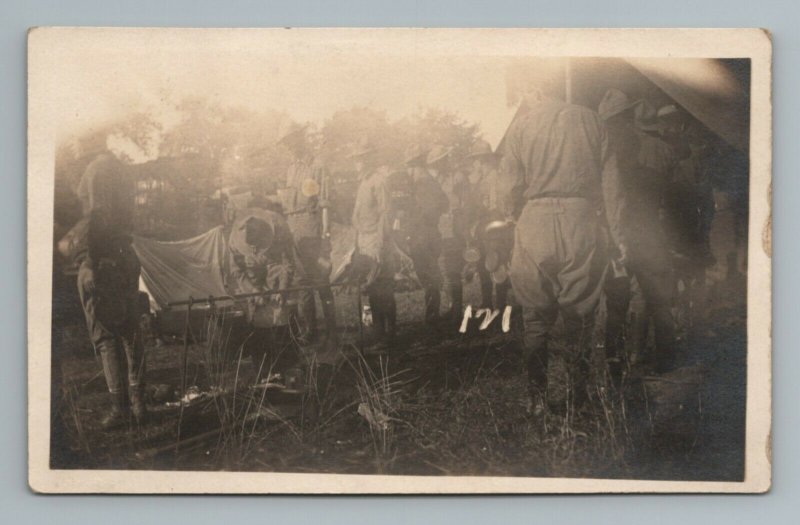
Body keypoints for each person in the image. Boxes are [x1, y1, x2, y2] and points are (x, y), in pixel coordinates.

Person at [498, 64, 626, 416]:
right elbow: (613, 188)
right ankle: (576, 397)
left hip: (535, 220)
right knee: (579, 317)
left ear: (536, 89)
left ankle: (536, 399)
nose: (522, 100)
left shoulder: (521, 127)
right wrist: (616, 237)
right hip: (581, 221)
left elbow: (508, 187)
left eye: (524, 93)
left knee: (535, 320)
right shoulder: (592, 120)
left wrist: (512, 213)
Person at [75, 153, 145, 429]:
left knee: (106, 337)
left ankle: (121, 410)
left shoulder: (96, 170)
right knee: (131, 332)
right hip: (125, 255)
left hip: (103, 261)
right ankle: (140, 405)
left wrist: (89, 263)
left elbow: (97, 217)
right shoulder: (122, 170)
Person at [627, 101, 681, 373]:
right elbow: (672, 197)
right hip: (658, 229)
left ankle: (636, 352)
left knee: (639, 292)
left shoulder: (628, 148)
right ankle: (666, 357)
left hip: (633, 227)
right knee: (660, 293)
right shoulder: (667, 152)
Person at [277, 122, 337, 346]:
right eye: (285, 144)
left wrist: (326, 234)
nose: (289, 147)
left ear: (300, 139)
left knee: (321, 280)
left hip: (312, 225)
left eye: (291, 142)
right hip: (294, 227)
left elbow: (324, 204)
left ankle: (331, 332)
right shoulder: (291, 169)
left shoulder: (317, 166)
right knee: (302, 282)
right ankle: (309, 331)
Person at [597, 88, 641, 387]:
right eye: (624, 116)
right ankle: (614, 364)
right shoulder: (618, 148)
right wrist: (621, 239)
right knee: (619, 296)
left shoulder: (594, 144)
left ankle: (610, 361)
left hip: (599, 229)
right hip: (613, 232)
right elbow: (615, 196)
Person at [228, 207, 301, 372]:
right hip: (251, 274)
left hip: (275, 270)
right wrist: (253, 291)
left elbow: (288, 264)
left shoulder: (280, 230)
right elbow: (236, 271)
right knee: (258, 320)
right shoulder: (234, 239)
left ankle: (288, 368)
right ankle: (262, 371)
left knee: (280, 316)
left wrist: (281, 290)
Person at [350, 137, 397, 347]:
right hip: (365, 242)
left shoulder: (379, 181)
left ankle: (390, 335)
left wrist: (380, 244)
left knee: (383, 289)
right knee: (372, 288)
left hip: (378, 241)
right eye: (356, 159)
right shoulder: (364, 182)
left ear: (369, 159)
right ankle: (378, 333)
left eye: (361, 159)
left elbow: (385, 215)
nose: (357, 163)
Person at [463, 138, 511, 311]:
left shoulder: (494, 178)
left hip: (495, 227)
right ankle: (487, 303)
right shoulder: (480, 181)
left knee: (497, 263)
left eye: (478, 160)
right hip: (484, 227)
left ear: (484, 160)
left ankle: (500, 304)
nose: (476, 164)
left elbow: (495, 206)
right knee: (483, 264)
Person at [404, 143, 448, 324]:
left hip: (424, 235)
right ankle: (432, 315)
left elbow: (429, 210)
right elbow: (443, 203)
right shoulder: (428, 182)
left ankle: (432, 317)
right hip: (427, 234)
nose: (409, 171)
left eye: (410, 167)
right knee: (428, 276)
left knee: (428, 277)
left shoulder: (424, 183)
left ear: (415, 166)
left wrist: (412, 223)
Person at [428, 144, 469, 324]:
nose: (439, 165)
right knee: (443, 271)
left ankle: (457, 310)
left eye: (442, 160)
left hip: (455, 229)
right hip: (439, 230)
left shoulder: (457, 178)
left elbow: (466, 203)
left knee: (453, 271)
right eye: (436, 162)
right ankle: (452, 306)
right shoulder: (434, 180)